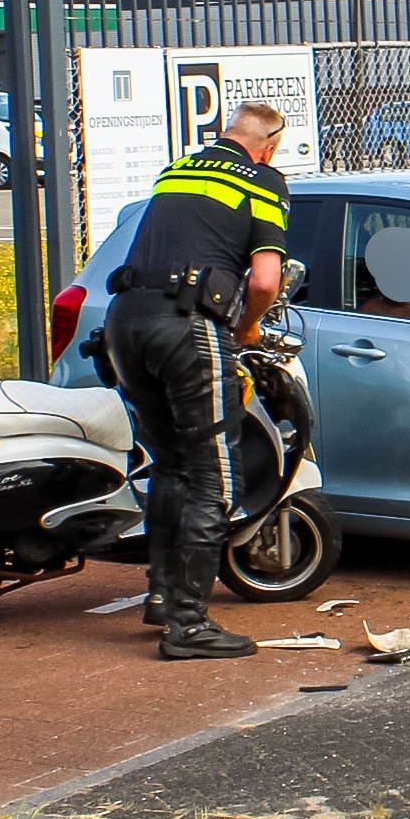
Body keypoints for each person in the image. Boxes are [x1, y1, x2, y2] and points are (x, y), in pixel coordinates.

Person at [102, 100, 291, 660]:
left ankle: (162, 597)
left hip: (125, 321)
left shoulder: (179, 168)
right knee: (217, 476)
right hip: (187, 325)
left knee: (171, 464)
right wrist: (250, 325)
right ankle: (188, 625)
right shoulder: (264, 179)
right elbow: (264, 278)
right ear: (270, 145)